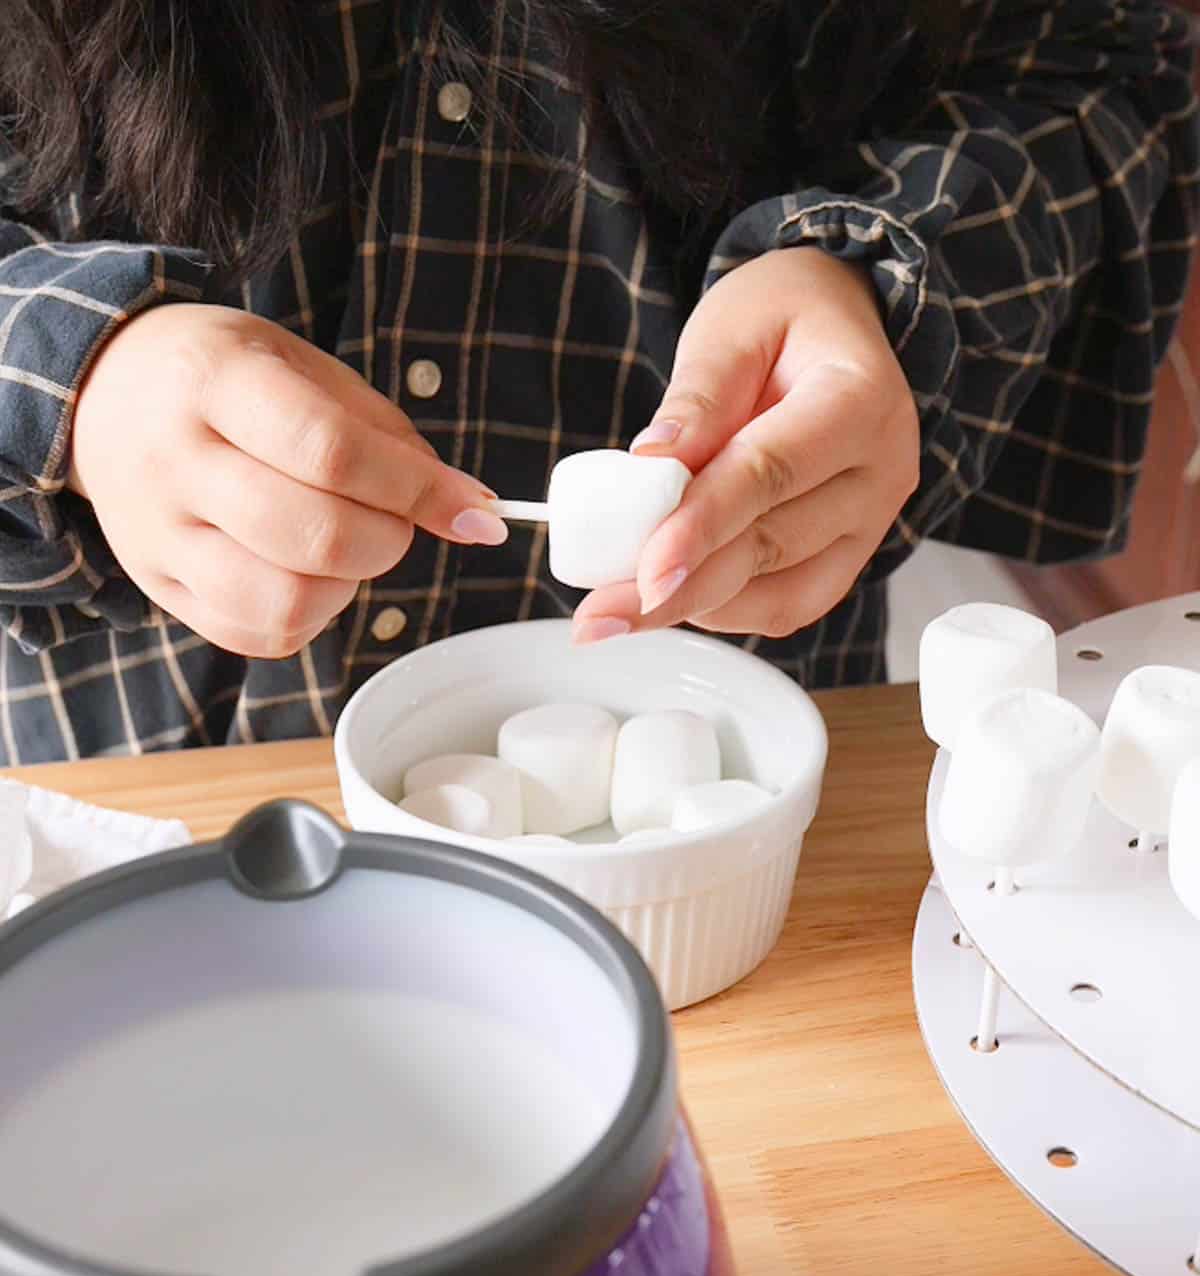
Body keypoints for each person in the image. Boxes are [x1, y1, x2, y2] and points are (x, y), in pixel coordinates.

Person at [0, 1, 1195, 763]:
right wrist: (72, 375)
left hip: (732, 783)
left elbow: (1091, 61)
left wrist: (877, 276)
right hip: (135, 778)